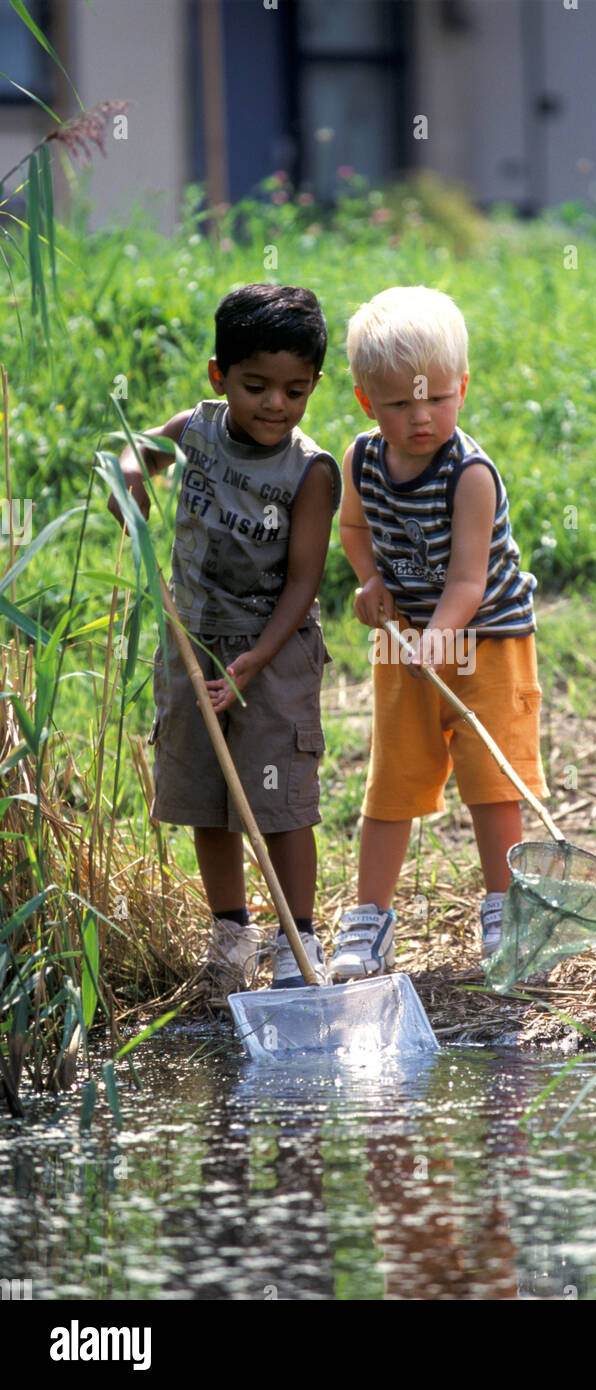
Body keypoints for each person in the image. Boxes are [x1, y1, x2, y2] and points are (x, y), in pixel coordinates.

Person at [107, 284, 340, 1005]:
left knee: (279, 800)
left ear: (314, 388)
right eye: (256, 386)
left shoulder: (311, 471)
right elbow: (130, 457)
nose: (276, 404)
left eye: (295, 391)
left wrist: (256, 662)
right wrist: (130, 488)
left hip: (273, 653)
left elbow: (302, 582)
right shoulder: (196, 428)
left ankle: (296, 943)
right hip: (191, 640)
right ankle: (230, 935)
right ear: (218, 376)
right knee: (208, 796)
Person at [333, 285, 548, 979]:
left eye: (436, 399)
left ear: (462, 388)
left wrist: (440, 636)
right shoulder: (361, 460)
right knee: (393, 776)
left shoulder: (470, 475)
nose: (420, 417)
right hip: (406, 640)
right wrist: (370, 582)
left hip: (486, 639)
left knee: (492, 777)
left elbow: (466, 583)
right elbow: (353, 528)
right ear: (368, 403)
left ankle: (504, 908)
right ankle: (369, 919)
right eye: (398, 404)